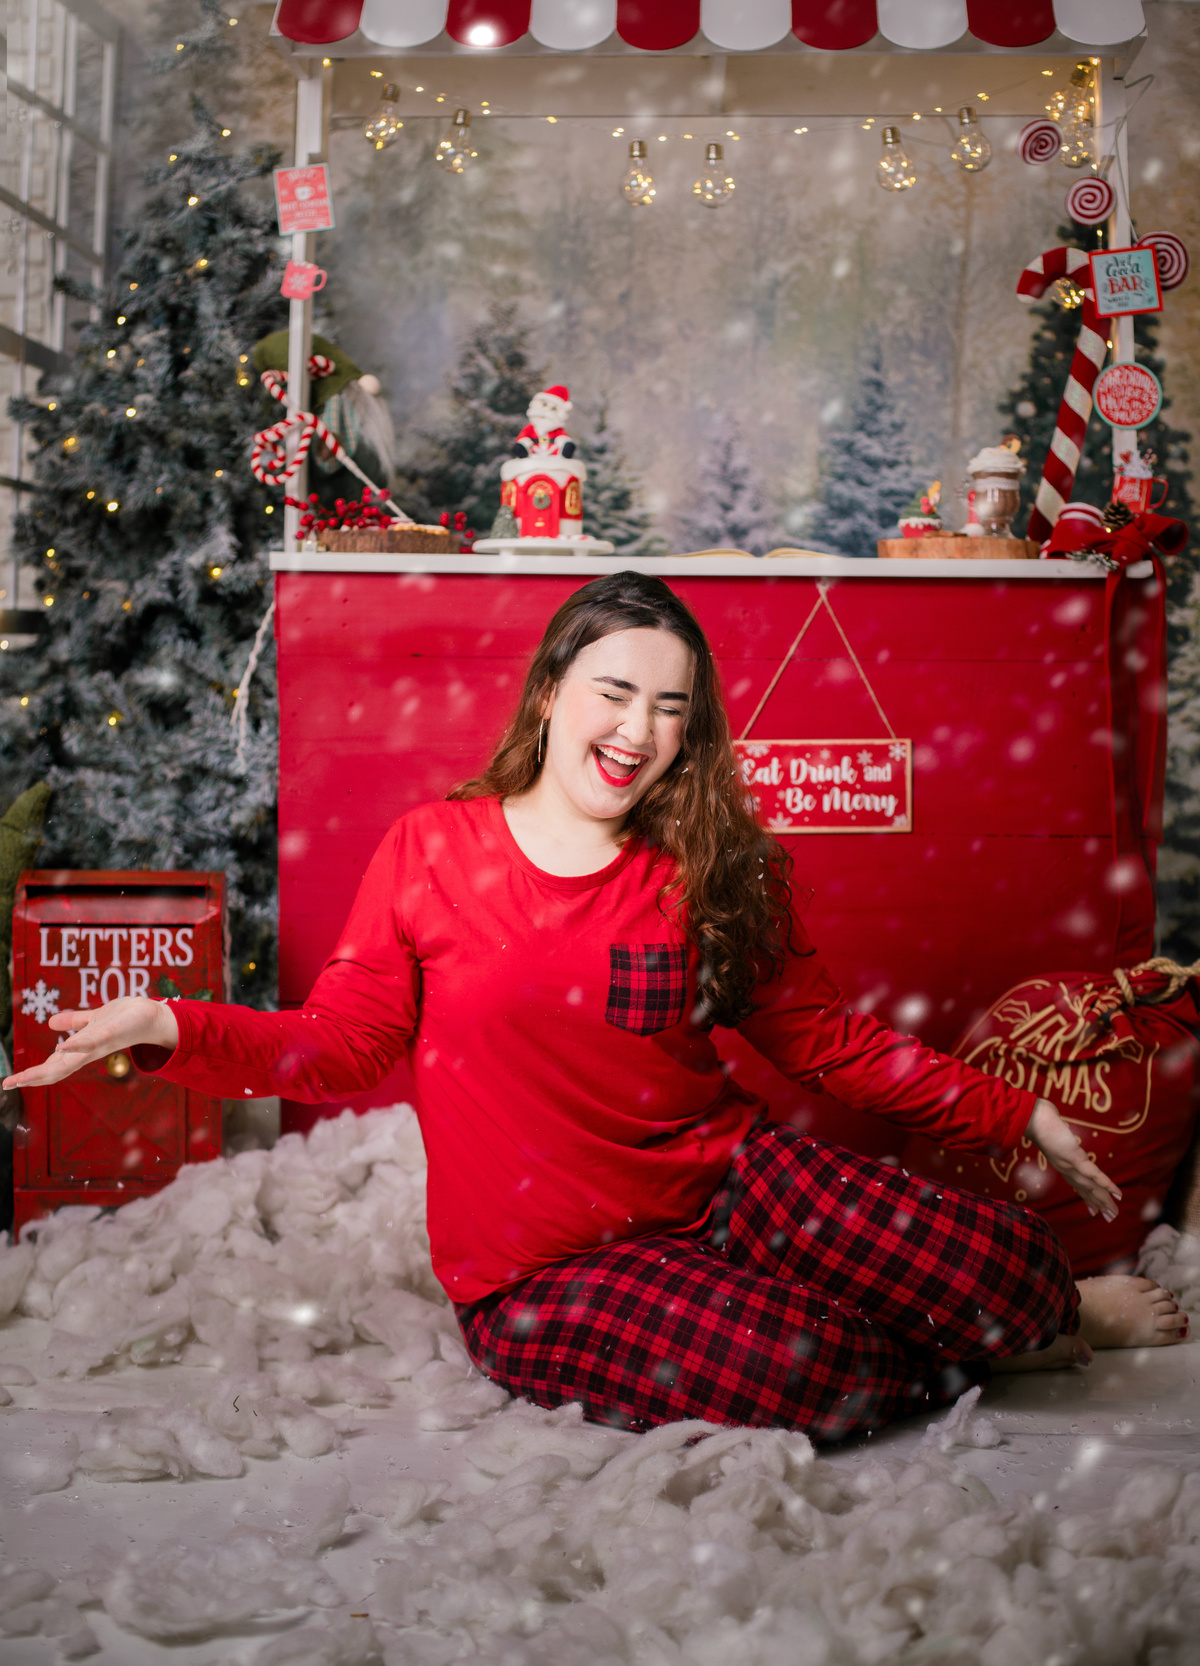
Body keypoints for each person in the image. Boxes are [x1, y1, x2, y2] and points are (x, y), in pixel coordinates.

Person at [5, 573, 1186, 1440]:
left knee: (1003, 1262)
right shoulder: (431, 850)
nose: (636, 731)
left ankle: (1026, 1316)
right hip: (544, 1275)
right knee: (809, 1370)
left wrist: (1013, 1111)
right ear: (550, 692)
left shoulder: (710, 864)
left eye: (670, 708)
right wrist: (168, 1024)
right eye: (614, 692)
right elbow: (337, 1045)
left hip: (724, 1180)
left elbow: (825, 1039)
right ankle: (977, 1355)